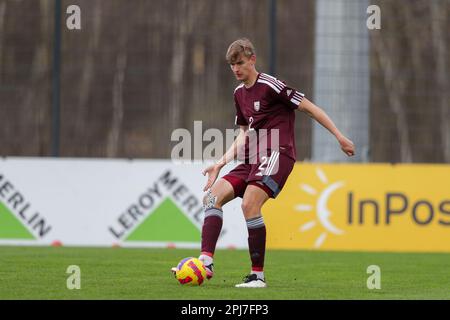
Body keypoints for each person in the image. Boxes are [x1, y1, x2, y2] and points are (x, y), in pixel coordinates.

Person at [173, 38, 355, 288]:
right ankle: (205, 261)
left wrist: (339, 136)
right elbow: (244, 134)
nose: (236, 69)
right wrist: (221, 163)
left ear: (252, 59)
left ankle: (257, 276)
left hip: (278, 153)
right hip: (252, 157)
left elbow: (310, 108)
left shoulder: (270, 85)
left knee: (249, 204)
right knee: (212, 199)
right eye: (231, 65)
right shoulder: (239, 93)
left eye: (239, 63)